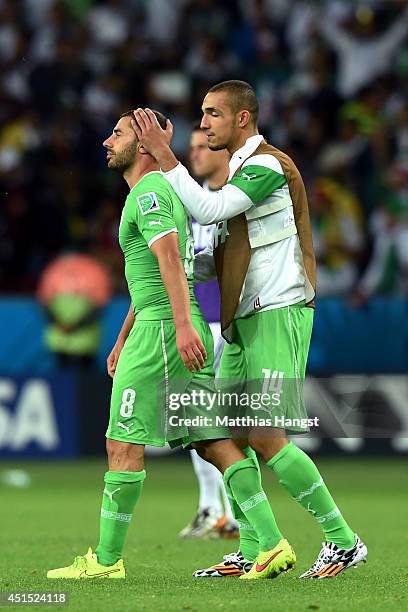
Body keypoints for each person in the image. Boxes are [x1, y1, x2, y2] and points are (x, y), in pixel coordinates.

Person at [131, 80, 368, 580]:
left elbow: (210, 209)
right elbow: (211, 258)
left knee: (264, 433)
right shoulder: (237, 175)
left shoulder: (267, 166)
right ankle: (255, 545)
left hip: (278, 310)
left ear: (242, 119)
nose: (204, 124)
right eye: (202, 115)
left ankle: (343, 541)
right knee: (225, 433)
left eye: (213, 115)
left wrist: (163, 157)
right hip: (244, 319)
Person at [47, 108, 294, 581]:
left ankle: (105, 561)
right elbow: (150, 281)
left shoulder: (151, 192)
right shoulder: (151, 193)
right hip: (162, 325)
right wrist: (122, 338)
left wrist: (179, 328)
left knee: (121, 443)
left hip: (164, 332)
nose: (106, 141)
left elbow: (168, 265)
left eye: (117, 133)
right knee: (210, 440)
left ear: (142, 144)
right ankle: (271, 541)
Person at [180, 124, 239, 540]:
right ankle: (211, 508)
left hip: (231, 324)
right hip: (200, 324)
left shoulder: (238, 200)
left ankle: (231, 513)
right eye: (192, 148)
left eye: (204, 146)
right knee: (198, 418)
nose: (197, 154)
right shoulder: (188, 206)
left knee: (226, 421)